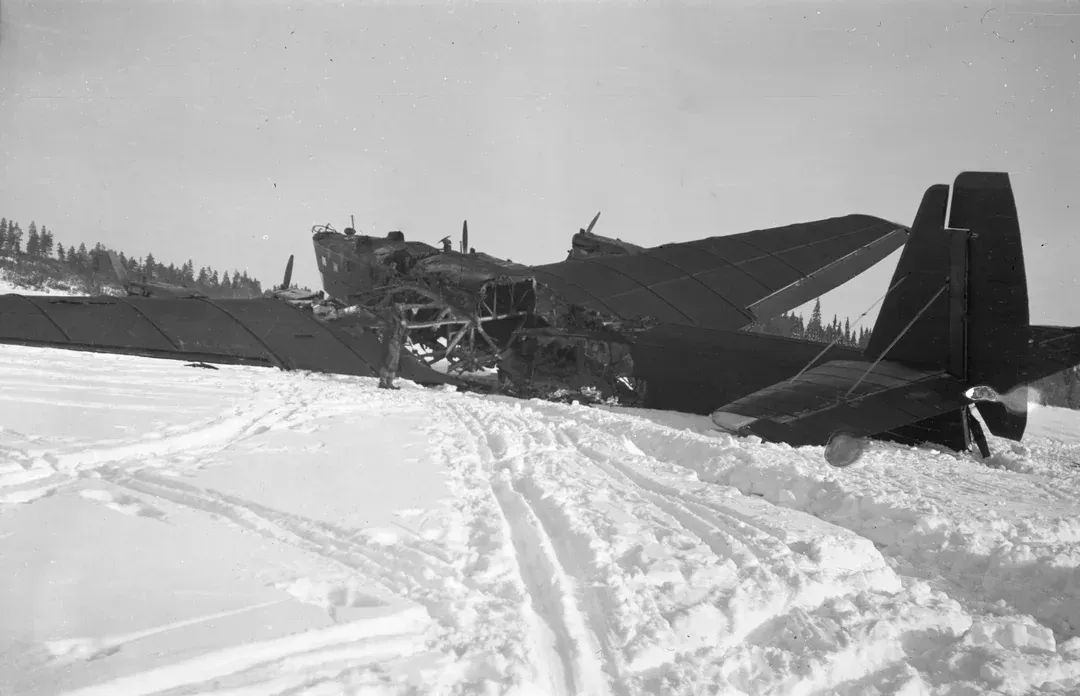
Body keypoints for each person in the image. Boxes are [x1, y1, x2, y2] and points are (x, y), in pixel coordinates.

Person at [378, 303, 408, 389]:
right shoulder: (390, 315)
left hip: (397, 341)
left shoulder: (401, 317)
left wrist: (404, 326)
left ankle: (389, 383)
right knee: (389, 359)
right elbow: (387, 327)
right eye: (400, 306)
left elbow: (404, 329)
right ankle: (382, 382)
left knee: (395, 362)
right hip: (390, 340)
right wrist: (400, 324)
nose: (401, 308)